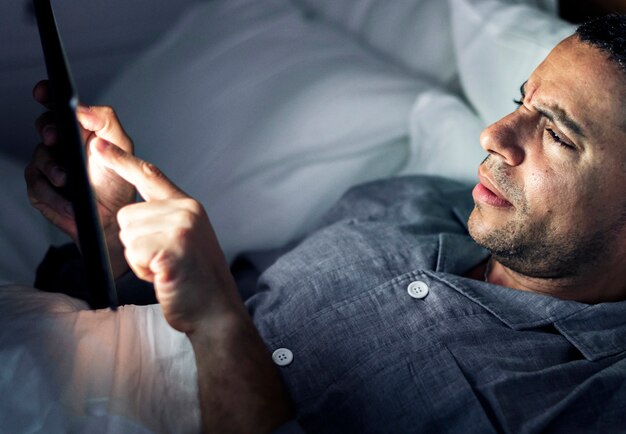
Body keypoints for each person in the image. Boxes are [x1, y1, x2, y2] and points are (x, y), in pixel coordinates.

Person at [26, 14, 626, 433]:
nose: (493, 135)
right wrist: (109, 241)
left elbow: (214, 313)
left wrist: (218, 326)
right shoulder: (408, 203)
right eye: (520, 101)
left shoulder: (592, 400)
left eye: (554, 133)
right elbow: (165, 310)